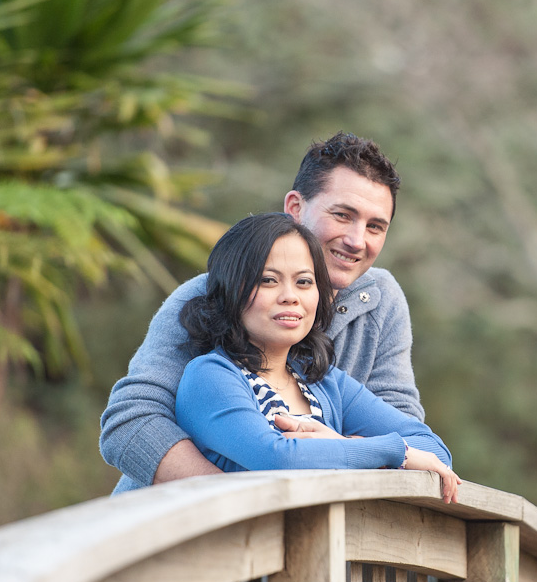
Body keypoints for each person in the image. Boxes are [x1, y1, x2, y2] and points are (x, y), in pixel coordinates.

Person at [100, 132, 424, 493]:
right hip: (180, 525)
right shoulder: (207, 297)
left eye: (375, 226)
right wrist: (242, 506)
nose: (356, 239)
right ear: (295, 208)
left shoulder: (380, 301)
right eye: (342, 215)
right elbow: (130, 421)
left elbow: (407, 433)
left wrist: (342, 451)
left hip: (312, 532)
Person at [158, 213, 460, 502]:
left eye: (304, 282)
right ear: (231, 291)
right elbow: (277, 457)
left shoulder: (323, 381)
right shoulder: (210, 375)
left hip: (311, 549)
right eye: (268, 280)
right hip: (226, 551)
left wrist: (343, 445)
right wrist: (398, 453)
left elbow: (433, 449)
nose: (291, 296)